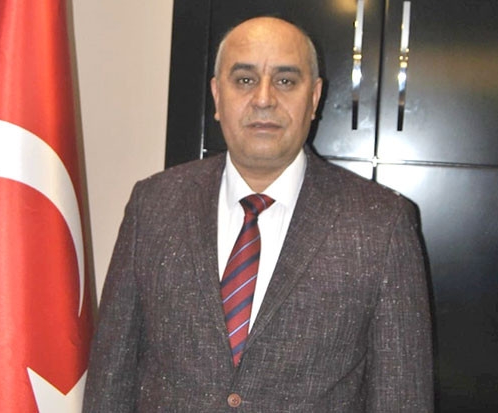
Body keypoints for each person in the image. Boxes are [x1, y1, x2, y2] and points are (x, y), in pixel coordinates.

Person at [83, 16, 433, 412]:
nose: (264, 98)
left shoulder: (381, 224)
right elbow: (110, 380)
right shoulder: (153, 205)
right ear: (217, 96)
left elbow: (401, 396)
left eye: (285, 80)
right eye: (245, 80)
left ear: (314, 98)